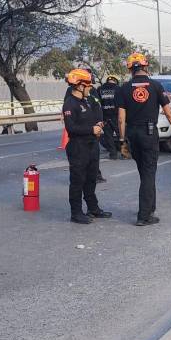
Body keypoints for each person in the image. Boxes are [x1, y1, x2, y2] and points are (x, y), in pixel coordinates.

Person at [115, 53, 171, 226]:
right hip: (149, 134)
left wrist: (122, 141)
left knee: (144, 172)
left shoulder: (124, 88)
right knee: (149, 174)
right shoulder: (156, 86)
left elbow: (121, 118)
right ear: (145, 67)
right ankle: (144, 216)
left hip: (132, 134)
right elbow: (168, 112)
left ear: (130, 69)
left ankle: (150, 207)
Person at [62, 68, 112, 224]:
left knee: (91, 179)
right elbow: (71, 128)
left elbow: (95, 114)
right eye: (88, 85)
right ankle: (76, 213)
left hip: (92, 145)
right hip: (78, 147)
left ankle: (93, 208)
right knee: (78, 180)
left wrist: (98, 124)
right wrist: (91, 129)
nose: (90, 88)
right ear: (79, 85)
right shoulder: (70, 104)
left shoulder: (87, 100)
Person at [98, 75, 121, 160]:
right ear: (116, 81)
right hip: (116, 116)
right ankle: (125, 153)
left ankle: (113, 155)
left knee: (109, 137)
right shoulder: (118, 89)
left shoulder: (100, 89)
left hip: (105, 116)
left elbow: (98, 104)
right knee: (121, 135)